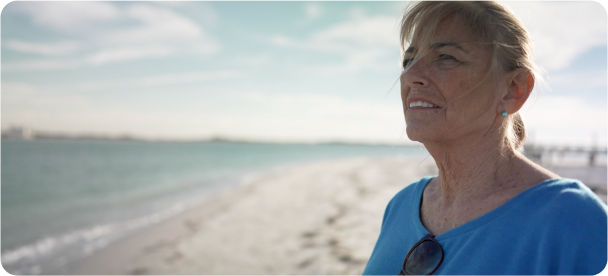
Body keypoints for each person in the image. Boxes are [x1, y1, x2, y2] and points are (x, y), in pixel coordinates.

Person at [362, 0, 608, 275]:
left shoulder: (572, 220)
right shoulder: (401, 206)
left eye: (446, 57)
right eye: (409, 60)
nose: (410, 75)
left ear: (514, 89)